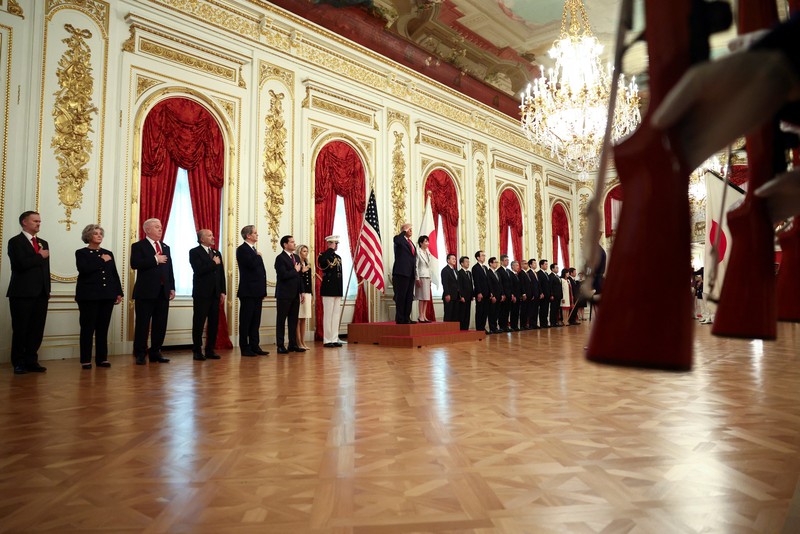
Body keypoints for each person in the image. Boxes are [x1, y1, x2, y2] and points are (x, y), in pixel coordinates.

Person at [7, 211, 50, 374]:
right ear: (24, 222)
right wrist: (39, 256)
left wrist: (48, 289)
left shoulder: (43, 242)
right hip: (22, 293)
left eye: (40, 221)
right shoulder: (15, 242)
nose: (38, 223)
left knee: (36, 329)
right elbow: (19, 265)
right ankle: (18, 362)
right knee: (21, 329)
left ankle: (32, 361)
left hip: (41, 294)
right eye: (35, 221)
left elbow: (45, 270)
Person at [75, 224, 123, 369]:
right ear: (88, 236)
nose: (99, 235)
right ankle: (86, 360)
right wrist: (102, 260)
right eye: (96, 233)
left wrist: (118, 292)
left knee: (103, 328)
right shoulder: (81, 253)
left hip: (107, 295)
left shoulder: (108, 252)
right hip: (88, 296)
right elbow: (84, 270)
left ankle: (102, 359)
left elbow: (113, 274)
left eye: (100, 233)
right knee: (87, 329)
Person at [131, 218, 175, 365]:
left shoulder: (165, 246)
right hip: (145, 292)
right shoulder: (138, 246)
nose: (160, 229)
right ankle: (140, 353)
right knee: (143, 324)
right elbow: (135, 264)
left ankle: (156, 352)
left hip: (163, 291)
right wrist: (155, 259)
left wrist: (172, 287)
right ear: (147, 229)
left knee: (160, 324)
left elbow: (169, 269)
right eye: (157, 227)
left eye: (161, 227)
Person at [189, 229, 226, 361]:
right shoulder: (194, 252)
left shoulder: (217, 253)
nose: (213, 237)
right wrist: (213, 263)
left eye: (212, 234)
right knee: (199, 322)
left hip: (215, 294)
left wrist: (223, 291)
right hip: (202, 294)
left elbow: (221, 274)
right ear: (202, 239)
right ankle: (197, 350)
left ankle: (210, 349)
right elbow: (198, 270)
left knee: (214, 323)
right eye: (209, 235)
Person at [236, 225, 268, 357]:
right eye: (255, 233)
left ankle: (255, 346)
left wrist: (263, 291)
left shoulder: (254, 250)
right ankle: (245, 347)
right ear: (248, 235)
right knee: (246, 320)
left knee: (256, 321)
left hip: (257, 291)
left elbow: (261, 273)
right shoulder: (242, 249)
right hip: (248, 291)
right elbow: (250, 264)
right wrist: (258, 256)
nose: (257, 235)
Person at [275, 235, 306, 354]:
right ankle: (280, 345)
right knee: (281, 320)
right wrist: (295, 270)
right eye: (292, 242)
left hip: (295, 294)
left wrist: (302, 291)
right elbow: (283, 275)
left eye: (294, 241)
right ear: (285, 244)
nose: (294, 243)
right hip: (284, 294)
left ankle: (292, 344)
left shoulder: (297, 257)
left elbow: (300, 277)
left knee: (293, 320)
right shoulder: (280, 258)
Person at [318, 236, 343, 347]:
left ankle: (334, 338)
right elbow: (322, 264)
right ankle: (327, 339)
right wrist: (330, 250)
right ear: (329, 244)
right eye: (334, 243)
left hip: (337, 288)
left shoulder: (338, 257)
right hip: (328, 289)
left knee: (336, 315)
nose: (336, 245)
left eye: (337, 244)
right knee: (328, 315)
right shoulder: (323, 255)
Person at [392, 223, 417, 324]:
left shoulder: (410, 242)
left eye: (411, 229)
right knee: (401, 296)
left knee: (409, 297)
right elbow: (397, 239)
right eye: (408, 229)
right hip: (401, 273)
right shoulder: (399, 239)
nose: (411, 230)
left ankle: (407, 318)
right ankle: (400, 318)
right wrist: (403, 231)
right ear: (403, 230)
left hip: (410, 274)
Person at [297, 244, 313, 350]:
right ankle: (298, 342)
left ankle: (303, 341)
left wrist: (312, 294)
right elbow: (297, 278)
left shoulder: (307, 263)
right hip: (299, 292)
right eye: (304, 251)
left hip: (307, 292)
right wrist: (301, 271)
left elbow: (310, 281)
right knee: (298, 318)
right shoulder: (297, 263)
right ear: (299, 252)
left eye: (307, 251)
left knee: (304, 319)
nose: (306, 253)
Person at [414, 235, 433, 323]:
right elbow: (416, 266)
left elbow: (430, 267)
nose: (427, 243)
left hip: (427, 276)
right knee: (421, 297)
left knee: (426, 297)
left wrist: (430, 278)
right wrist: (417, 278)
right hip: (421, 276)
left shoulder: (428, 252)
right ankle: (420, 315)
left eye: (427, 241)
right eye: (425, 241)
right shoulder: (418, 252)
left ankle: (424, 315)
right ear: (421, 243)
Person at [472, 250, 490, 333]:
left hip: (487, 293)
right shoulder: (475, 268)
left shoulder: (485, 268)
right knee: (480, 311)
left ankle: (483, 327)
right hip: (480, 293)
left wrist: (491, 292)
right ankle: (479, 328)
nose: (484, 257)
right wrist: (479, 292)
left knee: (485, 311)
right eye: (482, 255)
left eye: (484, 255)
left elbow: (488, 281)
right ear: (478, 258)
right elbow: (476, 281)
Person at [441, 253, 459, 322]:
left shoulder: (456, 271)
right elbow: (444, 283)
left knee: (455, 315)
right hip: (449, 295)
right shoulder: (445, 270)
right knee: (448, 314)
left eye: (455, 259)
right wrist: (447, 294)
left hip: (456, 296)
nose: (454, 260)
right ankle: (447, 331)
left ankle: (454, 331)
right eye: (453, 259)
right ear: (448, 260)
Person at [457, 256, 473, 331]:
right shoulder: (459, 273)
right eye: (466, 261)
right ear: (462, 263)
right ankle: (462, 328)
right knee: (462, 313)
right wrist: (461, 296)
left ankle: (466, 328)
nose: (468, 263)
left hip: (469, 296)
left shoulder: (469, 273)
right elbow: (459, 286)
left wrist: (472, 295)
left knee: (468, 313)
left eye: (468, 261)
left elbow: (471, 285)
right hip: (463, 297)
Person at [486, 257, 502, 334]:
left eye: (497, 262)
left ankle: (495, 327)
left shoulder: (497, 273)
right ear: (490, 263)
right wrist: (493, 296)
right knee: (492, 312)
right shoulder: (488, 273)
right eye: (495, 262)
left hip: (499, 295)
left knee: (497, 312)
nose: (496, 264)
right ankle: (492, 327)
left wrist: (502, 294)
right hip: (493, 296)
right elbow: (489, 285)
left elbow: (500, 284)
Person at [496, 255, 511, 332]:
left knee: (507, 311)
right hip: (503, 294)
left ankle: (506, 325)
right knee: (502, 311)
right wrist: (502, 294)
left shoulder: (508, 271)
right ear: (501, 261)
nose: (507, 262)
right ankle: (501, 325)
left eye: (508, 260)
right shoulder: (499, 271)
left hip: (509, 294)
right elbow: (500, 284)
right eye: (505, 260)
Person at [508, 260, 522, 331]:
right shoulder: (510, 274)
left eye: (518, 265)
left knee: (517, 311)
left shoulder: (517, 275)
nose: (518, 267)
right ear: (512, 266)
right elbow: (511, 286)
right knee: (513, 311)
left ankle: (516, 325)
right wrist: (513, 295)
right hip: (514, 296)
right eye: (516, 265)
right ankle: (513, 325)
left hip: (518, 296)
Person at [526, 259, 540, 329]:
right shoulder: (528, 273)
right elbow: (529, 285)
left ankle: (535, 323)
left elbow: (538, 284)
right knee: (531, 310)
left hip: (537, 294)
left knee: (536, 310)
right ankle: (531, 324)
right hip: (532, 295)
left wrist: (540, 293)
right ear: (530, 265)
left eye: (535, 263)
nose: (535, 264)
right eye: (534, 263)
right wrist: (532, 294)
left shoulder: (536, 273)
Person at [536, 259, 550, 328]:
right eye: (545, 264)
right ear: (541, 265)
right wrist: (541, 293)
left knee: (546, 309)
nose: (546, 265)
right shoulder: (539, 273)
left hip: (547, 294)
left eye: (547, 264)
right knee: (542, 309)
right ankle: (542, 323)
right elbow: (539, 285)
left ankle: (545, 322)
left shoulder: (546, 273)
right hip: (543, 295)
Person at [548, 263, 563, 327]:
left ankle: (556, 321)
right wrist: (551, 295)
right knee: (553, 309)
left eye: (558, 267)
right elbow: (550, 286)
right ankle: (552, 322)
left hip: (558, 295)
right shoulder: (551, 276)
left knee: (557, 309)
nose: (558, 269)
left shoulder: (557, 276)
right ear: (552, 269)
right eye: (556, 268)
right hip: (554, 296)